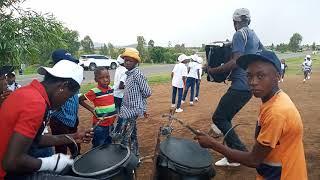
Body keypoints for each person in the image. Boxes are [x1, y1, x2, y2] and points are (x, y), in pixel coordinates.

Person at [196, 50, 307, 180]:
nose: (253, 82)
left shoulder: (277, 112)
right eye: (249, 76)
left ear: (277, 76)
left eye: (260, 76)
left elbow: (254, 160)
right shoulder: (274, 100)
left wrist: (212, 144)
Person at [0, 60, 94, 179]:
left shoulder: (28, 92)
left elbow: (35, 139)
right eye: (69, 97)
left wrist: (74, 136)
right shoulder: (36, 103)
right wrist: (51, 163)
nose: (64, 102)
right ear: (63, 86)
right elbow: (11, 162)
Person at [204, 8, 264, 166]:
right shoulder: (254, 35)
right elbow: (260, 54)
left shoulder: (239, 34)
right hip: (249, 86)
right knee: (226, 117)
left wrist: (212, 70)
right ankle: (233, 154)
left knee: (219, 117)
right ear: (248, 20)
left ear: (235, 21)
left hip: (240, 86)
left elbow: (236, 61)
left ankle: (238, 155)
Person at [118, 48, 152, 158]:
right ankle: (135, 154)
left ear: (136, 62)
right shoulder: (128, 74)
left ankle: (128, 157)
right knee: (131, 133)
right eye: (125, 60)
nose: (127, 62)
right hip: (127, 108)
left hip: (133, 109)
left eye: (130, 61)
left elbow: (147, 92)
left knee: (126, 135)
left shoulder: (137, 74)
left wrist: (138, 103)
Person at [49, 49, 82, 156]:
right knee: (61, 149)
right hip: (59, 121)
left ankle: (77, 165)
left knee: (75, 145)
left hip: (72, 119)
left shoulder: (73, 78)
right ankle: (62, 170)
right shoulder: (54, 82)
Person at [79, 67, 117, 148]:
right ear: (96, 79)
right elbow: (80, 100)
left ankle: (106, 159)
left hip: (111, 124)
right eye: (101, 78)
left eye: (107, 77)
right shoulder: (94, 92)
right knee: (99, 145)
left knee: (109, 143)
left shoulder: (111, 89)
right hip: (100, 126)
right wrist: (91, 109)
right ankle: (96, 158)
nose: (105, 80)